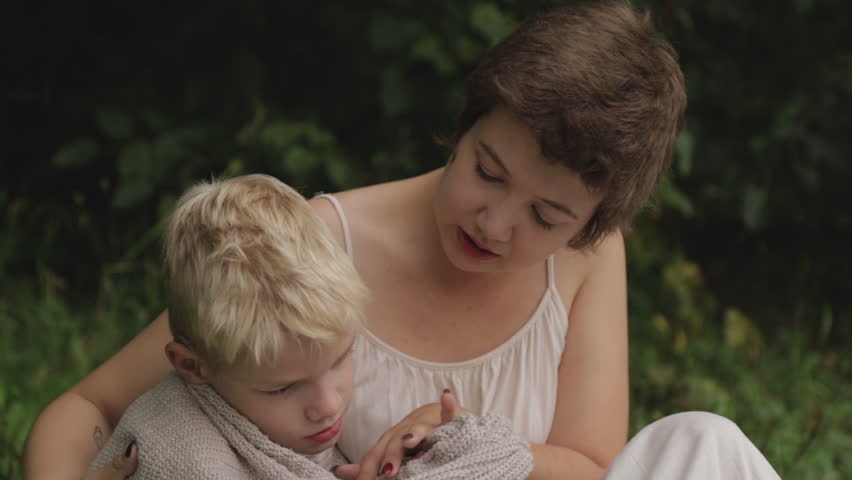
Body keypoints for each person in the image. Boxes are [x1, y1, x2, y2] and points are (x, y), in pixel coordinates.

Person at [25, 2, 780, 479]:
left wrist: (474, 443)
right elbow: (87, 404)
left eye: (548, 218)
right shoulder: (315, 245)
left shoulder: (587, 260)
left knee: (705, 444)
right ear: (465, 126)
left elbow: (593, 466)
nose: (496, 223)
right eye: (487, 172)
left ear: (591, 225)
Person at [85, 174, 533, 480]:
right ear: (193, 365)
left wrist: (458, 439)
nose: (327, 404)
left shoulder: (272, 413)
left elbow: (510, 461)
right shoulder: (180, 451)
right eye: (283, 388)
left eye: (341, 359)